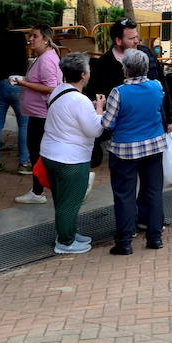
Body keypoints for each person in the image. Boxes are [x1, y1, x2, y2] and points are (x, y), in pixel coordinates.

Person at [100, 49, 168, 253]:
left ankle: (124, 241)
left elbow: (108, 123)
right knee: (154, 191)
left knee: (124, 194)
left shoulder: (118, 92)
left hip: (124, 149)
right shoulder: (156, 86)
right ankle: (155, 237)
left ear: (126, 69)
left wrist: (99, 108)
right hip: (154, 145)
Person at [43, 52, 104, 255]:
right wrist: (100, 110)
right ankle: (65, 241)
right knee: (70, 202)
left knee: (61, 199)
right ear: (83, 74)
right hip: (71, 159)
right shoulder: (80, 101)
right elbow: (95, 130)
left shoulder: (58, 91)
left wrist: (92, 108)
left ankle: (68, 232)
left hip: (50, 154)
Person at [13, 26, 62, 203]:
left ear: (46, 39)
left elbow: (51, 88)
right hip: (38, 114)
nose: (31, 39)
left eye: (34, 36)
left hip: (41, 115)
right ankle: (38, 189)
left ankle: (38, 190)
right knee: (37, 152)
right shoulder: (44, 58)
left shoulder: (46, 60)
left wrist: (24, 84)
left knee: (37, 153)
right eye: (30, 36)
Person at [0, 12, 28, 173]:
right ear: (8, 24)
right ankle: (24, 163)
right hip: (18, 83)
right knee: (24, 124)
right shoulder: (19, 37)